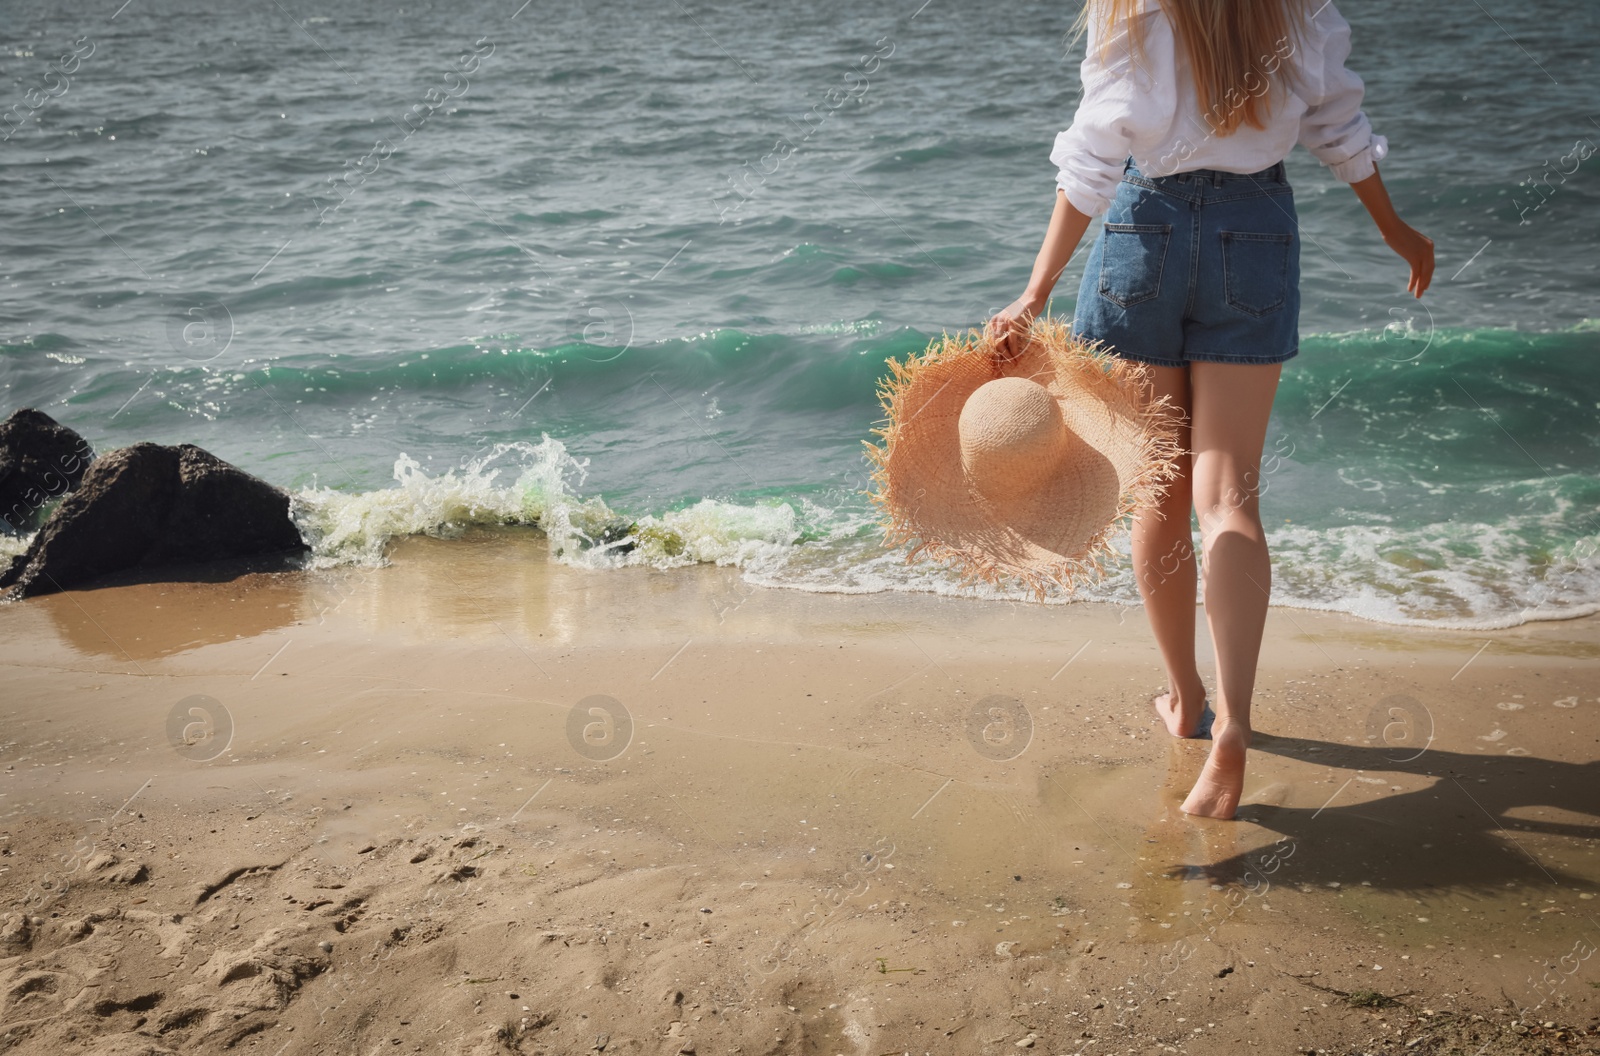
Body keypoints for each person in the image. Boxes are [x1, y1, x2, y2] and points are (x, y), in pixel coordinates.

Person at [985, 0, 1434, 819]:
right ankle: (1236, 720)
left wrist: (1034, 290)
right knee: (1228, 496)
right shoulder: (1299, 10)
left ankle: (1187, 699)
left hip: (1142, 230)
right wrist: (1396, 228)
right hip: (1254, 230)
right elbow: (1339, 125)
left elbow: (1092, 153)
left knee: (1159, 489)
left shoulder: (1132, 10)